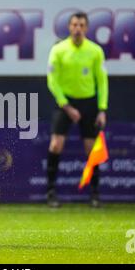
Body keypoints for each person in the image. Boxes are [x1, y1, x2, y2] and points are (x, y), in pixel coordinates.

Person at [46, 12, 108, 208]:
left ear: (86, 28)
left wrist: (102, 109)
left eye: (81, 25)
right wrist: (66, 105)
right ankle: (51, 192)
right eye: (74, 25)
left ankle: (95, 193)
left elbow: (102, 81)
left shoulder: (95, 51)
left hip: (89, 103)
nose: (78, 28)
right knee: (56, 145)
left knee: (92, 150)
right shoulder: (58, 50)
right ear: (69, 27)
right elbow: (52, 80)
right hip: (65, 103)